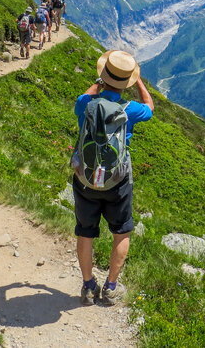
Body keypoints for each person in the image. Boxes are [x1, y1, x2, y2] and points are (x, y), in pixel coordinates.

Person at [71, 51, 154, 306]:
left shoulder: (87, 104)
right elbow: (150, 107)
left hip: (85, 179)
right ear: (126, 82)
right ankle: (111, 286)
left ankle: (87, 286)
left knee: (85, 233)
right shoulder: (131, 109)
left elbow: (82, 97)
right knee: (122, 233)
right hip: (117, 182)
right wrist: (138, 81)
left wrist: (100, 81)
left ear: (105, 76)